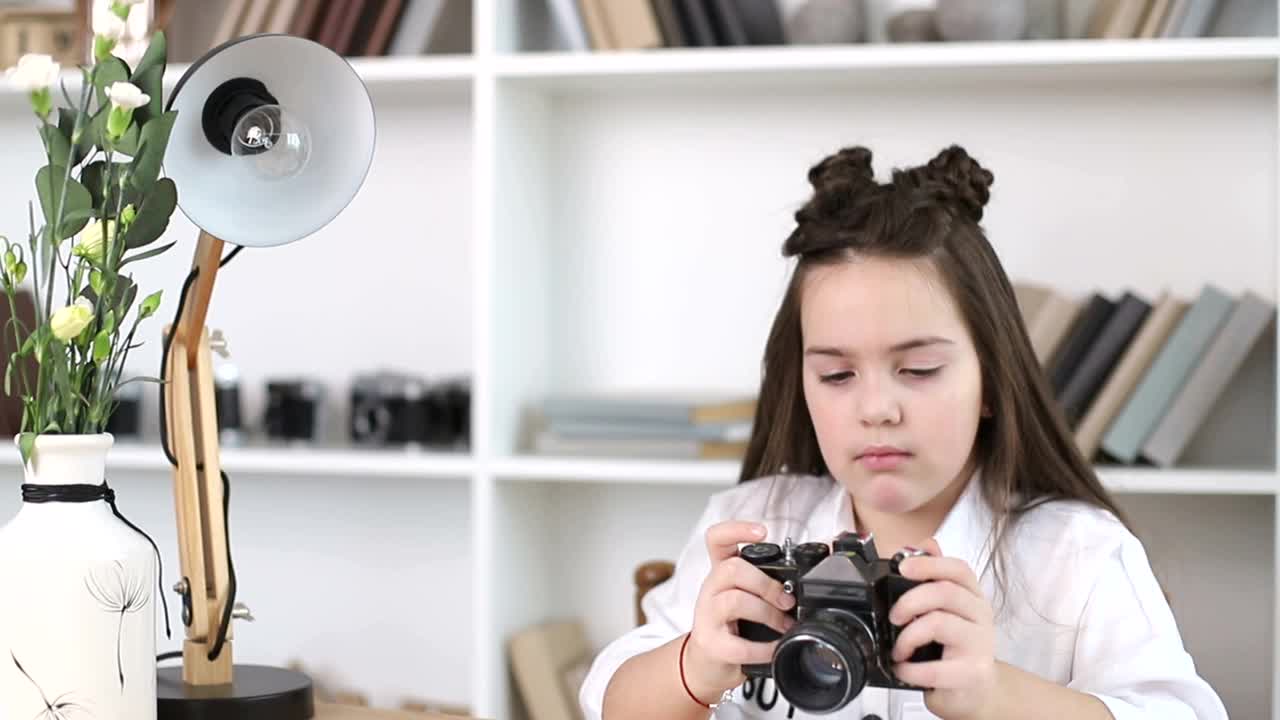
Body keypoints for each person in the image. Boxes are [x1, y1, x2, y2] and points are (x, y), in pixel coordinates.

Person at [577, 145, 1228, 720]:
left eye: (917, 369)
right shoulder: (755, 525)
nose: (877, 410)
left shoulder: (1076, 557)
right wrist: (694, 667)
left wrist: (997, 697)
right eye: (836, 376)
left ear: (993, 384)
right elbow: (606, 697)